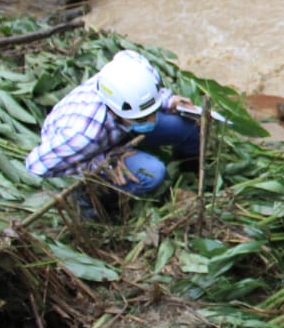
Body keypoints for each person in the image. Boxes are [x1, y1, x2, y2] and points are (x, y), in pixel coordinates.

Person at [25, 49, 201, 217]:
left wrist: (167, 101)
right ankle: (102, 200)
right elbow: (36, 165)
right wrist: (102, 162)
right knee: (153, 173)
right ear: (114, 111)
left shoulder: (136, 68)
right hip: (88, 147)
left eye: (152, 113)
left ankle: (189, 170)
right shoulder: (82, 135)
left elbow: (126, 55)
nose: (152, 121)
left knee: (188, 127)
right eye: (143, 118)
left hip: (120, 127)